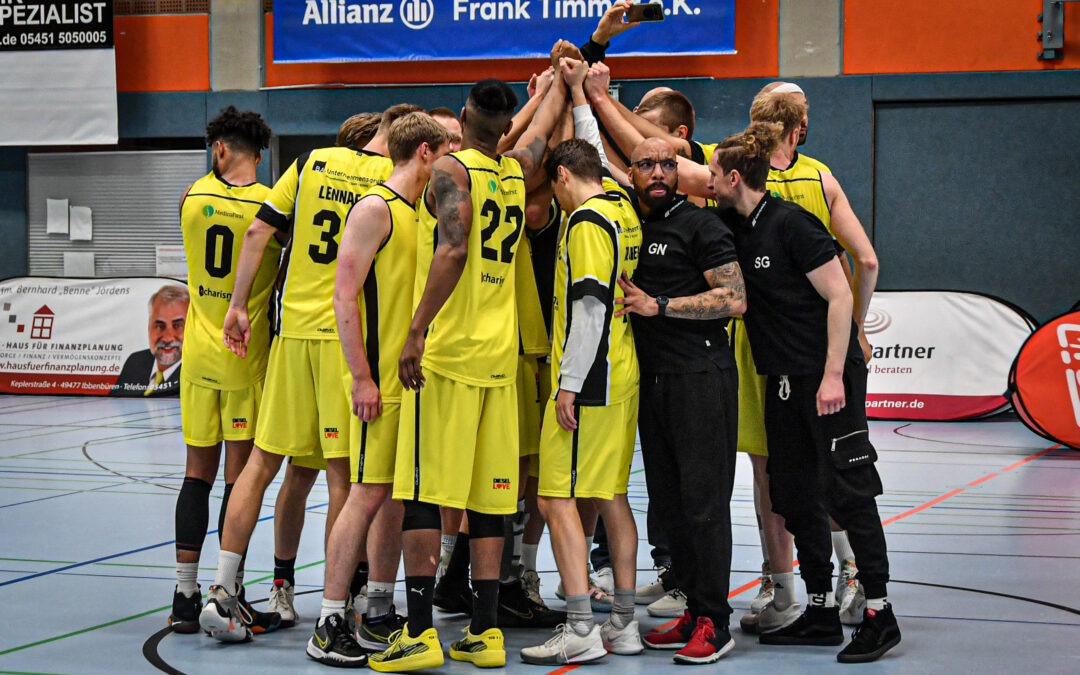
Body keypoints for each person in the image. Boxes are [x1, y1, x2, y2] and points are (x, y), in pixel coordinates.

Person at [198, 104, 420, 642]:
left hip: (291, 334)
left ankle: (224, 589)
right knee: (347, 476)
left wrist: (236, 305)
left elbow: (257, 234)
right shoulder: (390, 181)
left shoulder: (311, 162)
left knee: (261, 465)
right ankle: (337, 605)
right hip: (346, 343)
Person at [370, 75, 565, 672]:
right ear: (505, 127)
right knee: (489, 501)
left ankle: (422, 632)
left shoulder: (450, 173)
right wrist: (565, 77)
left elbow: (452, 250)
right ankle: (484, 632)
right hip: (499, 361)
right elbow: (535, 135)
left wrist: (416, 329)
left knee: (425, 494)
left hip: (450, 358)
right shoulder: (515, 171)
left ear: (462, 116)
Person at [708, 122, 901, 664]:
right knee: (793, 493)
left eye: (715, 176)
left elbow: (840, 298)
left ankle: (880, 614)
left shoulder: (794, 225)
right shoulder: (733, 225)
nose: (708, 183)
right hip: (784, 382)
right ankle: (818, 609)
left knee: (848, 492)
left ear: (735, 177)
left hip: (828, 378)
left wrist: (834, 375)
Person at [305, 112, 450, 667]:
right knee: (364, 495)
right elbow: (343, 298)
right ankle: (328, 619)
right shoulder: (374, 208)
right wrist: (361, 376)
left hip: (406, 384)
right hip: (376, 386)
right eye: (447, 150)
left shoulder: (416, 213)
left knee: (391, 499)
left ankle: (376, 612)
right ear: (426, 153)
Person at [739, 88, 879, 631]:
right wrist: (858, 328)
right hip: (824, 349)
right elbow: (866, 260)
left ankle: (783, 592)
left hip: (763, 350)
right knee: (835, 467)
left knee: (773, 471)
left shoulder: (733, 173)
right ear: (799, 129)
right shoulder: (821, 178)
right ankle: (852, 575)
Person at [613, 137, 746, 664]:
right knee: (671, 507)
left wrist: (659, 305)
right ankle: (692, 609)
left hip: (702, 378)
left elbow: (733, 299)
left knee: (705, 505)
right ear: (632, 173)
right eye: (647, 164)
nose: (660, 172)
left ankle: (716, 621)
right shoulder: (632, 226)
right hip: (657, 382)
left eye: (669, 163)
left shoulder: (701, 224)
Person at [519, 137, 643, 665]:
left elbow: (590, 305)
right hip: (622, 372)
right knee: (612, 495)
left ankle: (579, 626)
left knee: (554, 497)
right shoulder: (623, 204)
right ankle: (624, 623)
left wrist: (568, 383)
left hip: (590, 379)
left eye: (553, 185)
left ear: (564, 175)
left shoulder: (588, 221)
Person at [167, 107, 276, 633]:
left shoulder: (190, 196)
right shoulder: (269, 207)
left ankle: (184, 596)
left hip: (199, 357)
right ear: (259, 155)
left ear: (219, 149)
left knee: (196, 476)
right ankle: (226, 588)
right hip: (246, 357)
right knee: (241, 479)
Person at [112, 285, 188, 397]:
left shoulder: (197, 370)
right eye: (160, 326)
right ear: (149, 327)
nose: (167, 338)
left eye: (177, 326)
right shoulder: (135, 362)